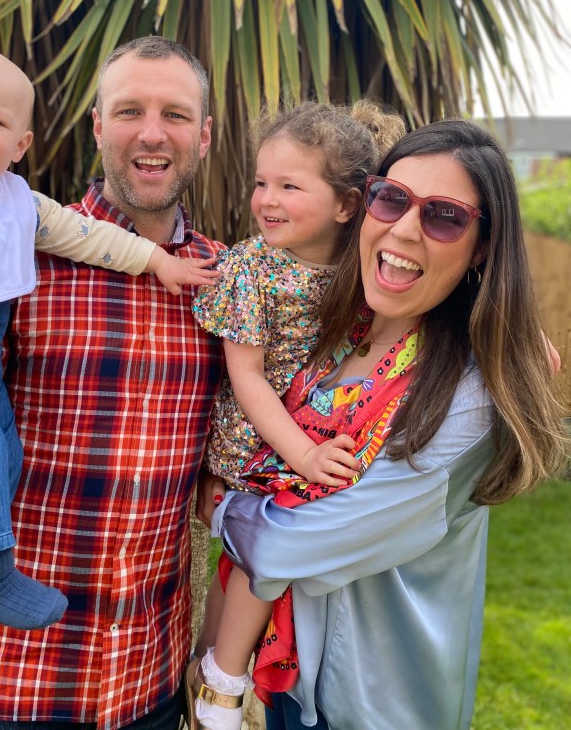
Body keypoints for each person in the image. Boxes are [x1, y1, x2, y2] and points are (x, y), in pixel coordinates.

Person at [0, 36, 225, 729]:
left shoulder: (225, 285)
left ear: (203, 137)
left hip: (146, 683)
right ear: (96, 127)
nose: (152, 133)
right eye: (129, 110)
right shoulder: (3, 257)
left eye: (175, 114)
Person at [211, 120, 569, 730]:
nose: (403, 227)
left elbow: (285, 545)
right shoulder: (345, 326)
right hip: (290, 685)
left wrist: (214, 504)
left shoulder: (470, 394)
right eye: (393, 198)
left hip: (369, 701)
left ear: (483, 246)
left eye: (445, 216)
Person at [188, 102, 405, 730]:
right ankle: (220, 682)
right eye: (261, 183)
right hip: (257, 438)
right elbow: (246, 376)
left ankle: (227, 681)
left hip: (318, 428)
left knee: (271, 566)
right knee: (253, 555)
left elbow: (435, 307)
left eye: (288, 185)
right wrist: (300, 453)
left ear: (346, 204)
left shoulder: (365, 265)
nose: (266, 199)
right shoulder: (253, 268)